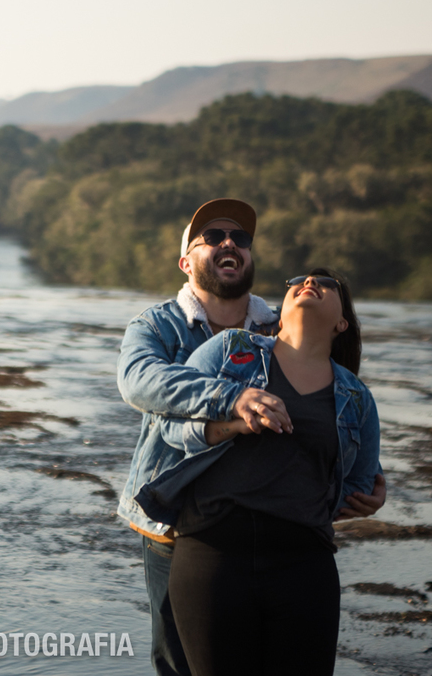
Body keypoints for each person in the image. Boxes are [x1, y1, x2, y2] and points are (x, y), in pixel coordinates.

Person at [116, 198, 385, 676]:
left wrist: (367, 481)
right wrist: (231, 402)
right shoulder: (160, 325)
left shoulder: (279, 325)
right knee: (179, 662)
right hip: (180, 523)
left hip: (288, 540)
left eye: (239, 239)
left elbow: (331, 419)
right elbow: (140, 382)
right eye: (213, 238)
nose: (229, 244)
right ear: (186, 262)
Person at [160, 269, 381, 676]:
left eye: (326, 284)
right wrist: (235, 423)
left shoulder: (356, 396)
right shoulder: (229, 349)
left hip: (304, 566)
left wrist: (366, 497)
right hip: (213, 556)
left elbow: (360, 481)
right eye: (299, 280)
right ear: (280, 314)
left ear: (341, 323)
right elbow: (169, 426)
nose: (309, 282)